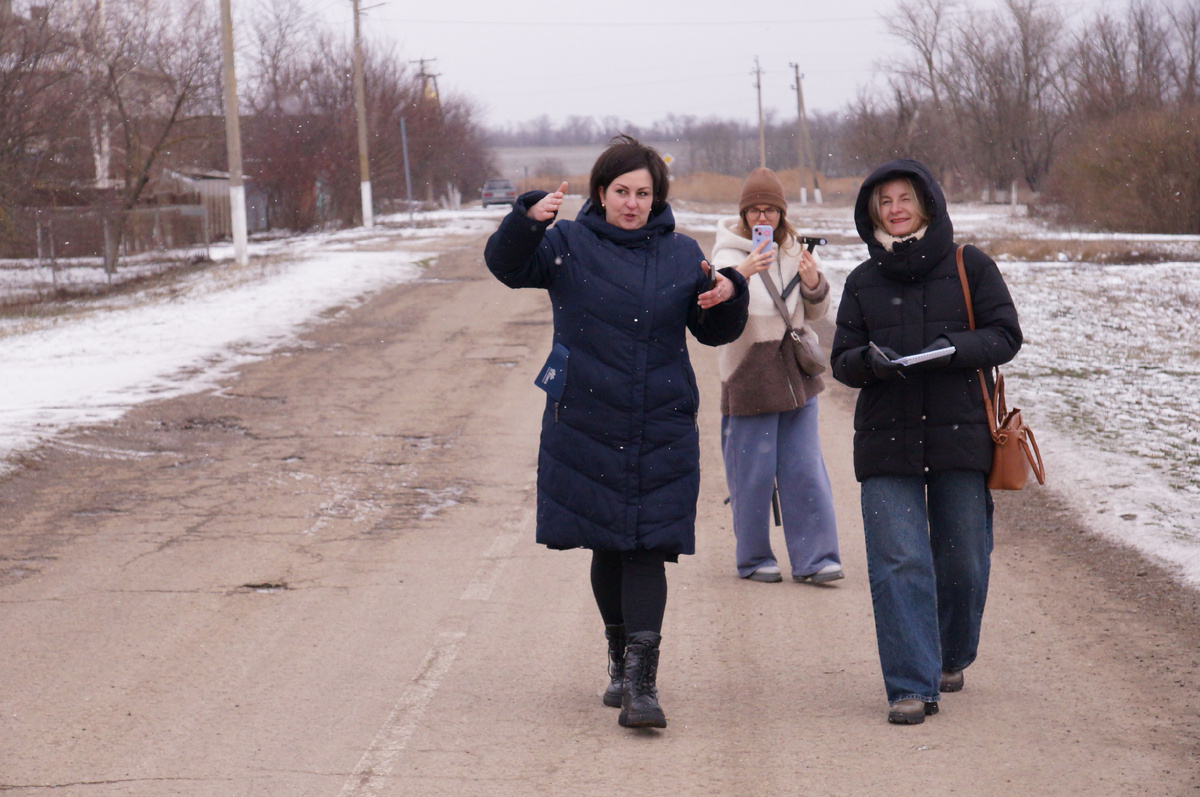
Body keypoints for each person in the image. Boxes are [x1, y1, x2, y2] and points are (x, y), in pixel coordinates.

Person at [484, 135, 749, 729]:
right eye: (621, 191)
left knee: (646, 544)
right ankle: (618, 660)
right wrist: (525, 220)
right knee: (609, 540)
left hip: (661, 418)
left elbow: (711, 330)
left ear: (657, 198)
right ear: (601, 193)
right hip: (587, 416)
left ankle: (641, 685)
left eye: (644, 193)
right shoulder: (565, 245)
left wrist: (729, 294)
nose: (632, 203)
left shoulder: (683, 254)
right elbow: (505, 267)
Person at [830, 158, 1022, 725]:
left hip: (960, 434)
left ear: (927, 203)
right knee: (899, 560)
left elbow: (1006, 334)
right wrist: (868, 361)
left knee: (963, 559)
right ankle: (910, 685)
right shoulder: (862, 281)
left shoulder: (971, 265)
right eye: (883, 201)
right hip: (886, 440)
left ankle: (951, 653)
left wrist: (952, 348)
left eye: (904, 198)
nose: (894, 209)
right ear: (873, 213)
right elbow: (842, 359)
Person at [709, 167, 842, 584]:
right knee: (752, 473)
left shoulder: (796, 249)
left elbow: (818, 311)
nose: (762, 219)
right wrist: (743, 272)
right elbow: (715, 312)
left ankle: (817, 559)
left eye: (770, 210)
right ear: (743, 213)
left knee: (805, 468)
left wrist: (813, 281)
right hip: (749, 372)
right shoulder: (726, 256)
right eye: (754, 211)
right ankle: (752, 558)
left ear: (782, 214)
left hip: (795, 371)